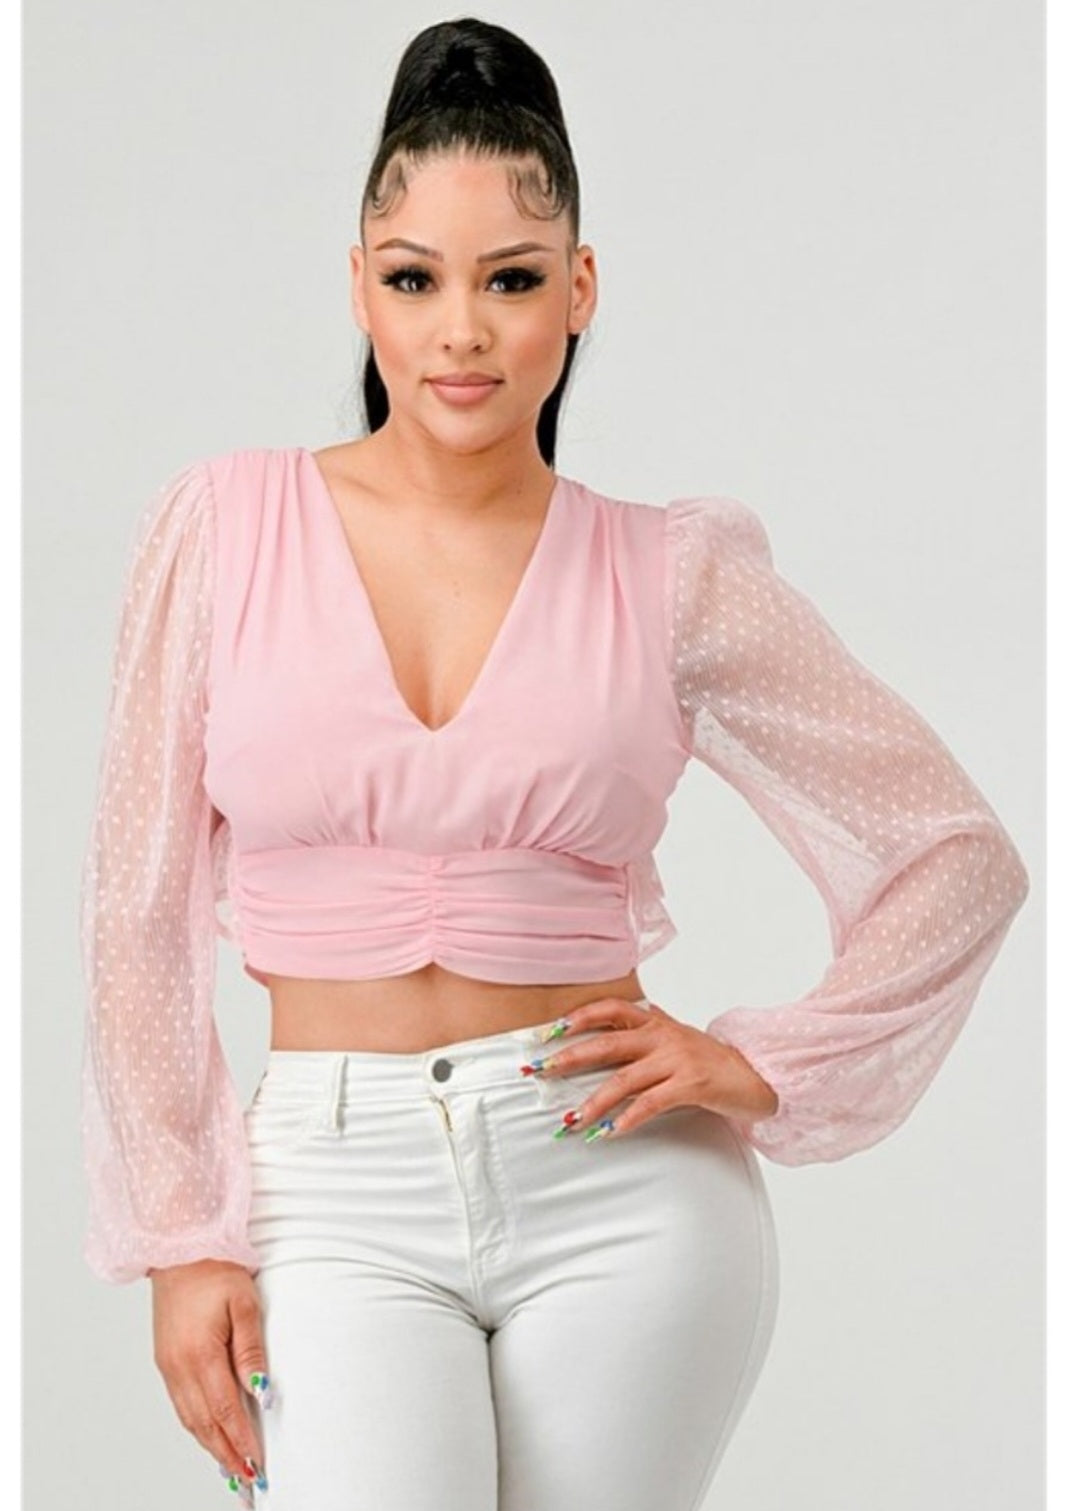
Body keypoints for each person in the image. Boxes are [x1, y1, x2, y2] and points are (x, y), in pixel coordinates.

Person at [77, 16, 1031, 1511]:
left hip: (623, 1191)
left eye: (511, 280)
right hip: (330, 1186)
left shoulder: (672, 573)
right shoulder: (220, 531)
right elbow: (134, 913)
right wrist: (182, 1238)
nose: (461, 331)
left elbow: (954, 853)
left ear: (578, 290)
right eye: (416, 280)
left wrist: (764, 1061)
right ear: (360, 286)